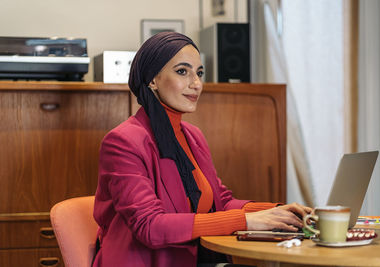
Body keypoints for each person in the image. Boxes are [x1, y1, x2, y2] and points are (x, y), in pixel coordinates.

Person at [92, 31, 312, 267]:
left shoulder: (193, 136)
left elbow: (221, 202)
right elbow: (150, 226)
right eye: (182, 71)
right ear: (152, 80)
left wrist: (278, 211)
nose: (196, 84)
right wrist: (246, 221)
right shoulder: (123, 141)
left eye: (199, 73)